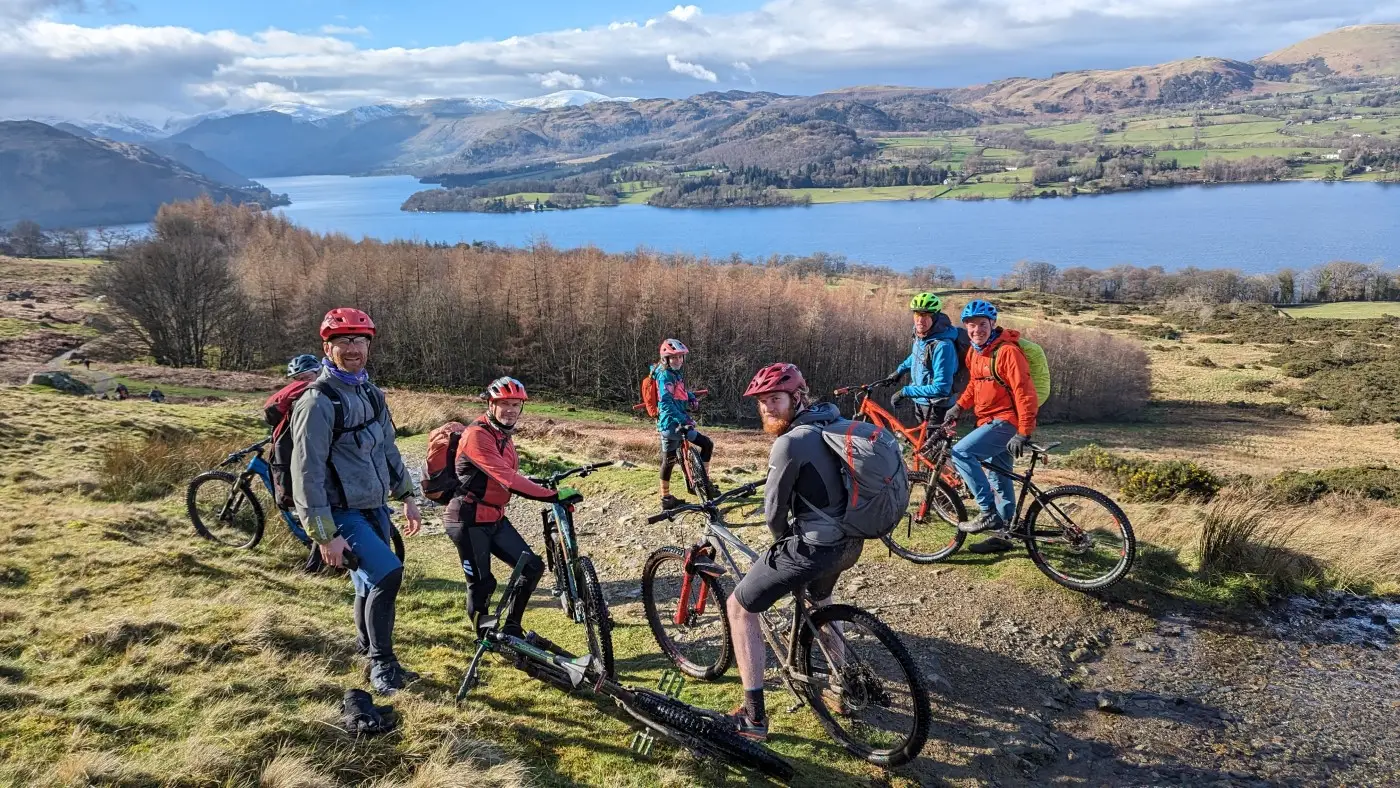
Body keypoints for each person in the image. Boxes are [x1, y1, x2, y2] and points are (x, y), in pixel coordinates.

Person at [725, 363, 863, 741]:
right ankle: (843, 685)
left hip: (816, 547)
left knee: (738, 607)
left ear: (797, 397)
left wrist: (783, 542)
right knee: (822, 603)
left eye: (775, 399)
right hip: (850, 542)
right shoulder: (834, 422)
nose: (768, 408)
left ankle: (753, 719)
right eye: (762, 402)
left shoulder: (789, 442)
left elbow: (773, 515)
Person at [290, 307, 423, 695]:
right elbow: (307, 472)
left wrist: (407, 495)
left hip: (374, 507)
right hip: (340, 511)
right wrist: (323, 534)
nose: (353, 348)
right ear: (327, 347)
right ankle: (385, 666)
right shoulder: (317, 402)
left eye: (360, 340)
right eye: (344, 341)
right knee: (388, 574)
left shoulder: (371, 392)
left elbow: (388, 448)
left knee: (366, 585)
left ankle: (370, 656)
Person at [445, 377, 582, 637]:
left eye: (516, 404)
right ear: (490, 404)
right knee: (482, 584)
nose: (510, 410)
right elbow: (507, 479)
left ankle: (512, 628)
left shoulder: (502, 435)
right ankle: (484, 639)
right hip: (467, 519)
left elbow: (509, 473)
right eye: (503, 403)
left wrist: (544, 488)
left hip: (494, 518)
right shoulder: (477, 435)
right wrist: (552, 496)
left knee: (531, 567)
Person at [942, 299, 1039, 555]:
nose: (976, 330)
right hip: (989, 420)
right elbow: (975, 385)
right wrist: (959, 407)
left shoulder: (1007, 352)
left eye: (982, 325)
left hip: (1006, 421)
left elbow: (1025, 392)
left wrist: (1024, 431)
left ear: (992, 324)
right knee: (1000, 477)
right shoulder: (975, 352)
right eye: (971, 326)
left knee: (962, 452)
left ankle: (987, 512)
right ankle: (1004, 534)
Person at [881, 292, 961, 427]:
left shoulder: (943, 346)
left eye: (925, 315)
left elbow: (942, 388)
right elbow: (918, 356)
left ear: (935, 317)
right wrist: (899, 371)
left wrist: (905, 392)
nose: (920, 320)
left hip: (937, 407)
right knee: (919, 443)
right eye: (917, 314)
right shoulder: (922, 336)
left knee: (932, 447)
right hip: (922, 401)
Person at [654, 338, 716, 509]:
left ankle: (666, 499)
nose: (678, 361)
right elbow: (666, 403)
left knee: (669, 460)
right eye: (674, 358)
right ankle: (705, 483)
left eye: (680, 357)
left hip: (666, 426)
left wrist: (691, 397)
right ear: (665, 359)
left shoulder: (673, 374)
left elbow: (679, 392)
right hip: (674, 425)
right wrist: (684, 420)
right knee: (707, 444)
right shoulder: (665, 376)